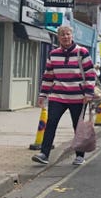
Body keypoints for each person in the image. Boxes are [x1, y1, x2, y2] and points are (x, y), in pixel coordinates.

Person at [31, 25, 97, 167]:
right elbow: (48, 76)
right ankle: (44, 154)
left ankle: (79, 156)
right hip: (58, 95)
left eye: (68, 34)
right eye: (62, 35)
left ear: (72, 36)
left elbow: (90, 74)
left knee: (77, 127)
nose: (65, 37)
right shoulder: (53, 54)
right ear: (58, 37)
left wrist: (88, 93)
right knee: (51, 123)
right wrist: (43, 94)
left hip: (78, 97)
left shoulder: (82, 52)